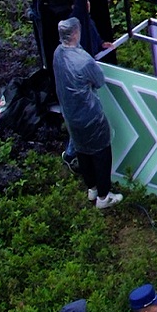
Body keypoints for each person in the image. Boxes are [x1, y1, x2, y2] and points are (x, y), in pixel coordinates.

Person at [52, 18, 120, 208]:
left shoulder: (58, 53)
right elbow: (99, 81)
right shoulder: (84, 61)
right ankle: (104, 197)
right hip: (90, 116)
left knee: (83, 151)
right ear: (75, 33)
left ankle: (92, 189)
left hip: (71, 116)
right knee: (102, 155)